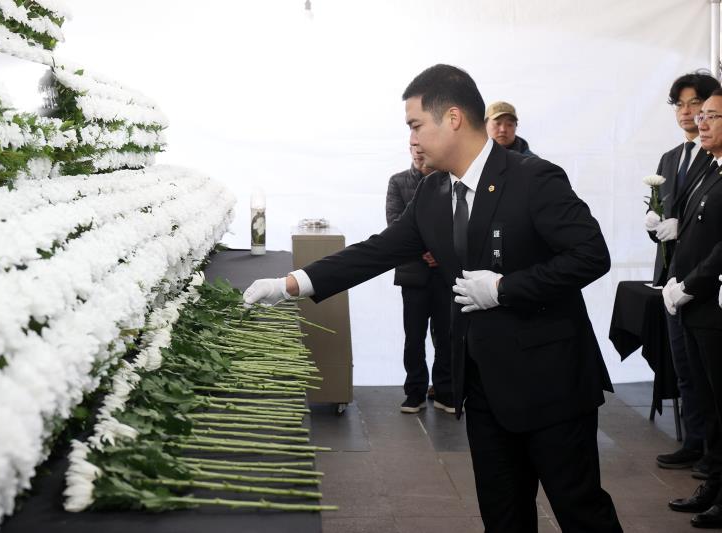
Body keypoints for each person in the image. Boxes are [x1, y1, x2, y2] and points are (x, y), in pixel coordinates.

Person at [244, 64, 621, 532]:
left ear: (454, 118)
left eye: (416, 124)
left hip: (552, 384)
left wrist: (505, 288)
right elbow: (377, 251)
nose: (413, 138)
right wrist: (290, 284)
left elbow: (591, 255)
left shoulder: (534, 178)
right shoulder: (433, 191)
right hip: (484, 387)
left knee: (580, 510)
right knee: (503, 517)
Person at [644, 72, 719, 475]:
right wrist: (653, 222)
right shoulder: (671, 158)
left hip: (703, 280)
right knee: (684, 368)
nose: (689, 114)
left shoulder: (715, 153)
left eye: (698, 105)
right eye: (681, 105)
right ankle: (693, 441)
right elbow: (663, 212)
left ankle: (712, 450)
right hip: (671, 274)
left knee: (708, 373)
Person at [664, 88, 722, 528]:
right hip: (693, 301)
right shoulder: (709, 168)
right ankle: (715, 485)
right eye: (699, 115)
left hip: (711, 300)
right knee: (703, 394)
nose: (700, 122)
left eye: (711, 116)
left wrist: (693, 283)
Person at [386, 146, 452, 414]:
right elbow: (395, 224)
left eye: (421, 146)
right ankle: (414, 392)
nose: (417, 151)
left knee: (446, 335)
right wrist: (426, 251)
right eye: (413, 147)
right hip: (413, 273)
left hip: (445, 273)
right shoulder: (398, 181)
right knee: (414, 337)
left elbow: (458, 222)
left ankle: (445, 391)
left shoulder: (450, 180)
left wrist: (441, 253)